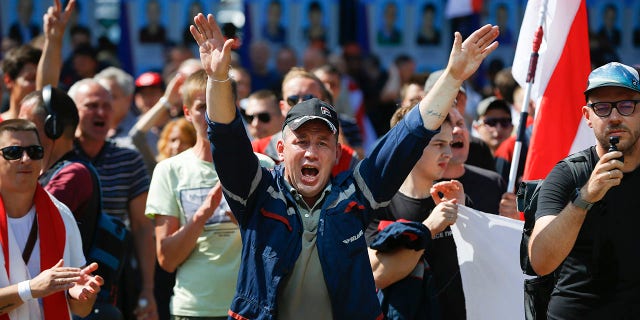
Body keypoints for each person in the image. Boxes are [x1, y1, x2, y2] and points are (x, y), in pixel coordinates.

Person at [190, 12, 498, 319]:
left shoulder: (353, 197)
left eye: (322, 142)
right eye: (302, 141)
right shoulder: (257, 193)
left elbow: (409, 136)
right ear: (281, 149)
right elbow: (227, 137)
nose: (312, 151)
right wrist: (217, 79)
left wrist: (452, 77)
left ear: (337, 154)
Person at [147, 70, 274, 319]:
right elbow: (167, 260)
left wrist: (246, 221)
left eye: (217, 105)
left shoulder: (264, 167)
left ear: (234, 108)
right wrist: (203, 214)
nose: (209, 115)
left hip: (253, 309)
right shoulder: (168, 170)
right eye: (201, 107)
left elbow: (279, 247)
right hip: (193, 310)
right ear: (186, 112)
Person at [528, 62, 640, 318]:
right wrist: (585, 198)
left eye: (626, 105)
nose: (614, 117)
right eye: (601, 107)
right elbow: (541, 261)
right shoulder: (568, 174)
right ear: (587, 116)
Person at [19, 86, 124, 320]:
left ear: (51, 127)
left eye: (25, 123)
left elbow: (28, 222)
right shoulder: (48, 172)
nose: (18, 131)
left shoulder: (73, 174)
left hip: (70, 305)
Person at [69, 79, 157, 320]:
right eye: (91, 105)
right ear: (72, 110)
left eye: (107, 106)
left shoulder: (129, 160)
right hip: (61, 274)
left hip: (113, 275)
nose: (101, 112)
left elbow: (142, 226)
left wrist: (147, 289)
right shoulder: (56, 155)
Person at [366, 106, 466, 319]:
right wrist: (429, 227)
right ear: (408, 148)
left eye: (449, 144)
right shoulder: (379, 205)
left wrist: (466, 218)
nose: (448, 153)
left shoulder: (455, 199)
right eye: (439, 144)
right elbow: (376, 275)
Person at [0, 118, 103, 318]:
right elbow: (36, 288)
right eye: (13, 152)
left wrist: (83, 295)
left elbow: (81, 309)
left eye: (34, 152)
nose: (26, 159)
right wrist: (31, 289)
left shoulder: (61, 213)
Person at [1, 45, 41, 120]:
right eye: (31, 79)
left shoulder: (50, 127)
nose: (38, 84)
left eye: (41, 78)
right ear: (8, 80)